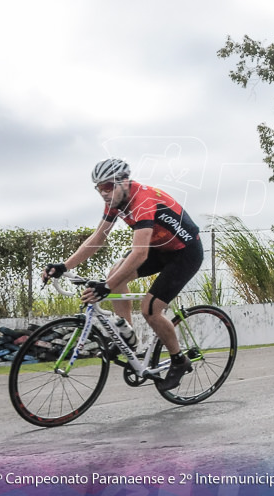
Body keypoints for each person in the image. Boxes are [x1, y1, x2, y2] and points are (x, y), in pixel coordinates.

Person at [41, 158, 203, 391]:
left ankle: (179, 360)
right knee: (115, 274)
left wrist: (105, 287)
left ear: (124, 182)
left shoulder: (143, 200)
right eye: (99, 188)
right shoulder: (115, 201)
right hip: (159, 249)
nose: (104, 193)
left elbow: (139, 253)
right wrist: (65, 266)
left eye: (108, 186)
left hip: (184, 253)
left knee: (150, 308)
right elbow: (98, 238)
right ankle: (128, 337)